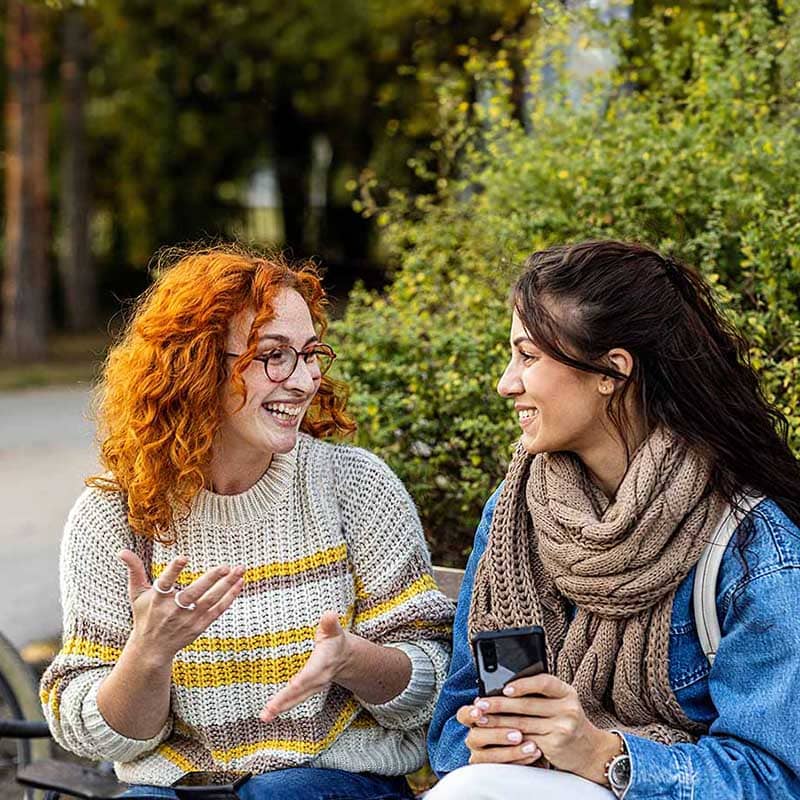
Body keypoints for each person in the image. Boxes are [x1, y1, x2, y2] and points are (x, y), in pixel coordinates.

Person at [40, 245, 454, 800]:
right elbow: (101, 734)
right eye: (274, 355)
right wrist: (149, 653)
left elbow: (434, 678)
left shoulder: (353, 485)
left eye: (310, 354)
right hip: (180, 789)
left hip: (328, 783)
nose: (305, 380)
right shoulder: (116, 515)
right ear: (196, 365)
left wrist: (350, 658)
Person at [426, 240, 800, 799]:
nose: (507, 383)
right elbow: (453, 732)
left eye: (528, 356)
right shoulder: (513, 514)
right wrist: (491, 742)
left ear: (611, 371)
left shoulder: (750, 544)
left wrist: (608, 758)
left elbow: (778, 777)